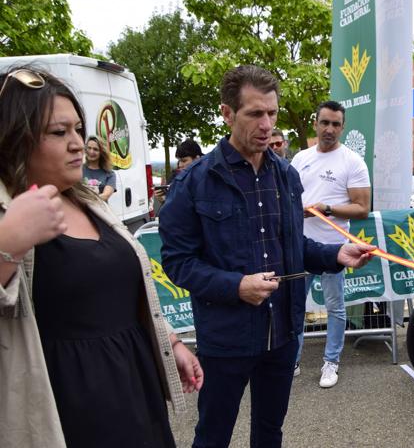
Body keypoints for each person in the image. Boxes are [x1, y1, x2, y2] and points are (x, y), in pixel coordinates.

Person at [158, 65, 375, 448]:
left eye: (272, 113)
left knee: (270, 433)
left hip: (283, 334)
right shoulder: (194, 182)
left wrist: (336, 254)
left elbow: (295, 249)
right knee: (212, 435)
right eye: (255, 113)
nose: (266, 124)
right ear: (227, 113)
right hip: (226, 339)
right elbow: (178, 262)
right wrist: (236, 286)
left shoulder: (287, 177)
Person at [0, 67, 203, 448]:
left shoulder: (89, 200)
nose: (79, 143)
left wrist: (171, 342)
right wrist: (9, 240)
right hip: (70, 403)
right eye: (59, 133)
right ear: (15, 139)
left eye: (78, 129)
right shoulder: (7, 212)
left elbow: (125, 294)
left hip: (134, 383)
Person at [290, 100, 371, 387]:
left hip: (335, 249)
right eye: (325, 122)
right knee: (295, 307)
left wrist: (328, 208)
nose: (329, 129)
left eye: (336, 124)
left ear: (343, 127)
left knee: (335, 308)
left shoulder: (352, 161)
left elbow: (362, 208)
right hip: (300, 247)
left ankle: (331, 362)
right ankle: (293, 360)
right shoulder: (300, 158)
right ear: (315, 123)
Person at [154, 137, 204, 204]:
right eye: (179, 161)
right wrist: (164, 200)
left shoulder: (209, 178)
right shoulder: (175, 177)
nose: (180, 165)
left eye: (184, 161)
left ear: (197, 159)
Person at [82, 135, 116, 202]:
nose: (91, 152)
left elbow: (105, 196)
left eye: (95, 149)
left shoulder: (109, 174)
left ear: (101, 152)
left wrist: (86, 199)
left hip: (100, 211)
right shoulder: (79, 170)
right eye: (89, 148)